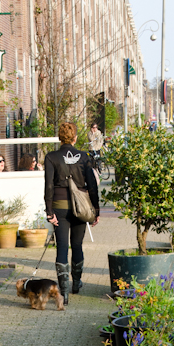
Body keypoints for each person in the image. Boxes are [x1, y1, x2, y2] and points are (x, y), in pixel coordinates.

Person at [44, 121, 100, 304]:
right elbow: (92, 184)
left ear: (60, 138)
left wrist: (49, 210)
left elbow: (49, 186)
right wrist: (96, 209)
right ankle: (76, 283)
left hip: (59, 207)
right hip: (80, 207)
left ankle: (64, 293)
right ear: (75, 138)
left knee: (61, 246)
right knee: (77, 245)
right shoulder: (84, 157)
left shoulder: (51, 157)